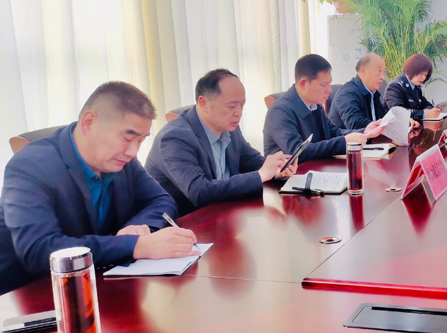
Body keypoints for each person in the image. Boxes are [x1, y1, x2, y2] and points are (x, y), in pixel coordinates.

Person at [0, 82, 198, 294]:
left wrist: (139, 227)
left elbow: (161, 200)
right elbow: (38, 250)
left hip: (99, 281)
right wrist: (135, 246)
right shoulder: (29, 166)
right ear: (89, 123)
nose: (133, 151)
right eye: (127, 138)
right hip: (34, 294)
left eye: (140, 141)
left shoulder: (121, 160)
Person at [145, 69, 298, 215]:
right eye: (231, 106)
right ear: (203, 103)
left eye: (242, 105)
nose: (239, 113)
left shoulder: (229, 127)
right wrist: (260, 175)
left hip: (225, 212)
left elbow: (252, 162)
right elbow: (200, 192)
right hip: (187, 222)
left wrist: (277, 171)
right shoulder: (175, 138)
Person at [263, 54, 384, 162]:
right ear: (303, 84)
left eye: (329, 84)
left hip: (316, 171)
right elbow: (297, 152)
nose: (329, 90)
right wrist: (344, 142)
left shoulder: (315, 106)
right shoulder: (279, 111)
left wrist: (365, 131)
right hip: (289, 178)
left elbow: (334, 133)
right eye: (324, 85)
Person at [384, 53, 441, 121]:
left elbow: (425, 103)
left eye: (425, 75)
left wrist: (428, 110)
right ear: (411, 69)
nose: (423, 78)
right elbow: (399, 112)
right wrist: (424, 114)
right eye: (420, 73)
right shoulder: (395, 86)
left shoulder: (416, 86)